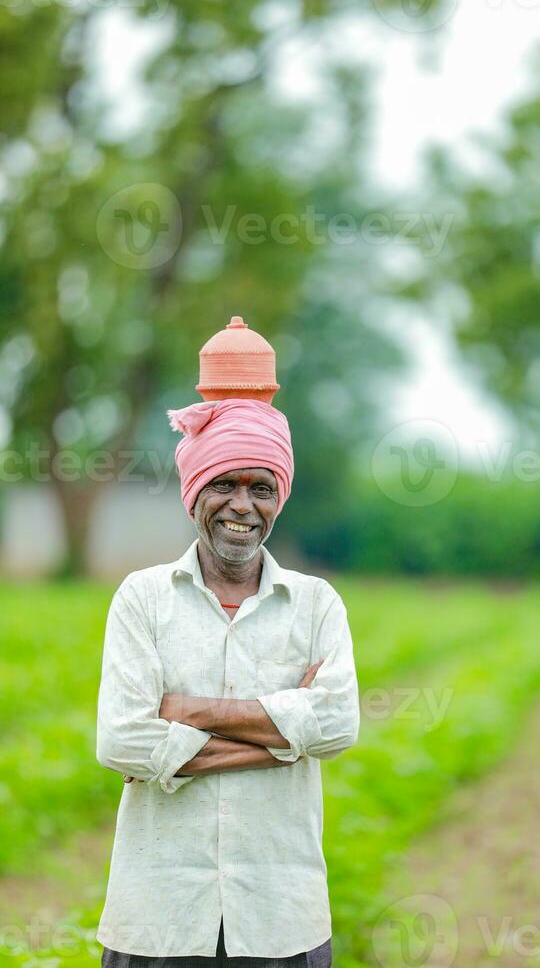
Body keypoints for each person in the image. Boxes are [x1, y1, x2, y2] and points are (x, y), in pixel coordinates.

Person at [95, 398, 360, 966]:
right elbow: (120, 741)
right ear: (194, 492)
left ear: (279, 499)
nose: (242, 505)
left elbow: (337, 726)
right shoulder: (142, 598)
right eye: (224, 485)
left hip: (280, 916)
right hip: (158, 917)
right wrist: (285, 740)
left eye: (261, 488)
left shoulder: (316, 605)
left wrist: (185, 712)